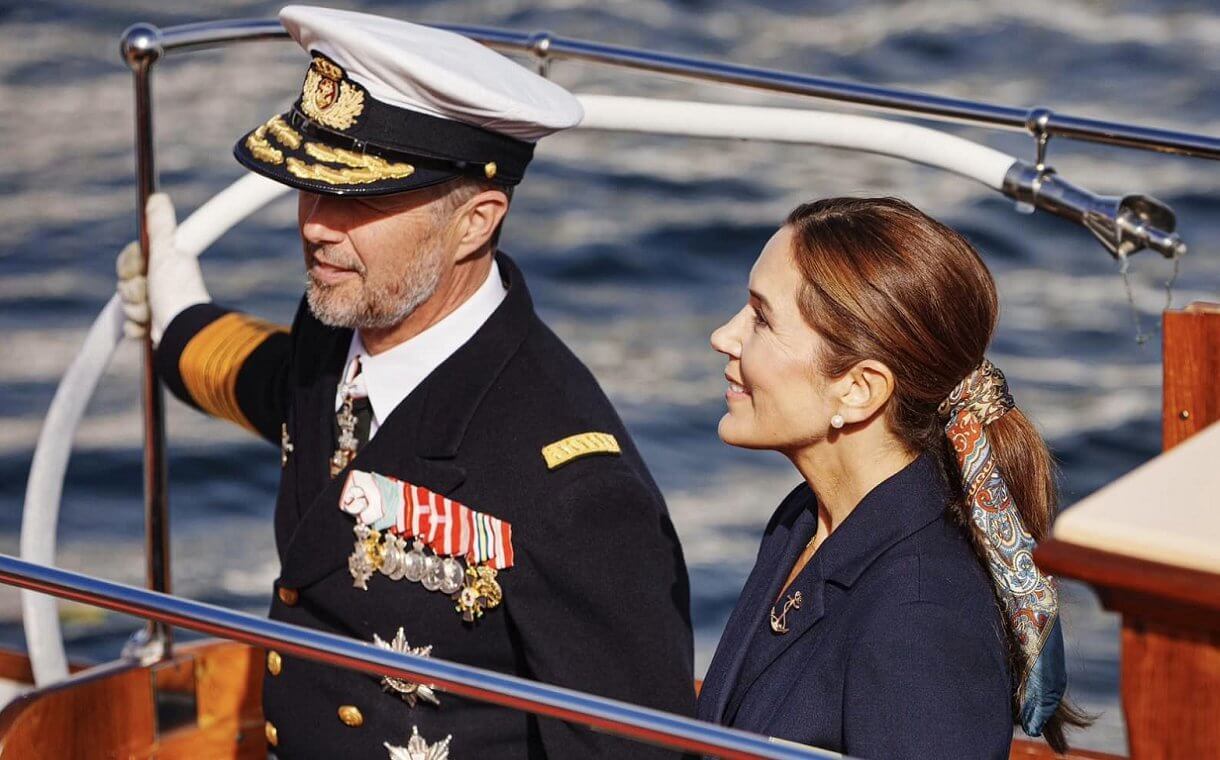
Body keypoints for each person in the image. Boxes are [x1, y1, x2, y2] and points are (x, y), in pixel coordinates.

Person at [116, 7, 694, 758]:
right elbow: (275, 387)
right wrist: (176, 317)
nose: (317, 224)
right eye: (309, 185)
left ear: (475, 222)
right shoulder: (336, 333)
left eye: (360, 199)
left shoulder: (570, 488)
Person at [696, 197, 1087, 758]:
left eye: (761, 318)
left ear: (858, 390)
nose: (724, 336)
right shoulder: (804, 519)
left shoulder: (923, 619)